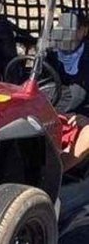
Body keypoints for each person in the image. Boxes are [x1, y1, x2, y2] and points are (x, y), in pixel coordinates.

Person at [47, 13, 89, 171]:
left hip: (81, 113)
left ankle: (58, 172)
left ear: (83, 30)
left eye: (69, 27)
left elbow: (80, 95)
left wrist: (84, 116)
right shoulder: (51, 52)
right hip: (55, 110)